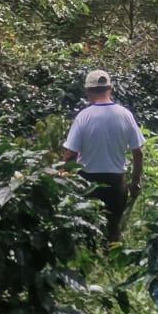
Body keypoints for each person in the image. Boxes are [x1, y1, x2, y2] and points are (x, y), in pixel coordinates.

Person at [62, 69, 145, 244]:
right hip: (116, 182)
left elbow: (70, 155)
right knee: (113, 230)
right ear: (111, 88)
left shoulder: (83, 117)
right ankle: (111, 264)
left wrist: (63, 177)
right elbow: (138, 152)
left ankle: (90, 262)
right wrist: (135, 182)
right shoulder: (126, 115)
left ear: (88, 91)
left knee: (88, 229)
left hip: (88, 183)